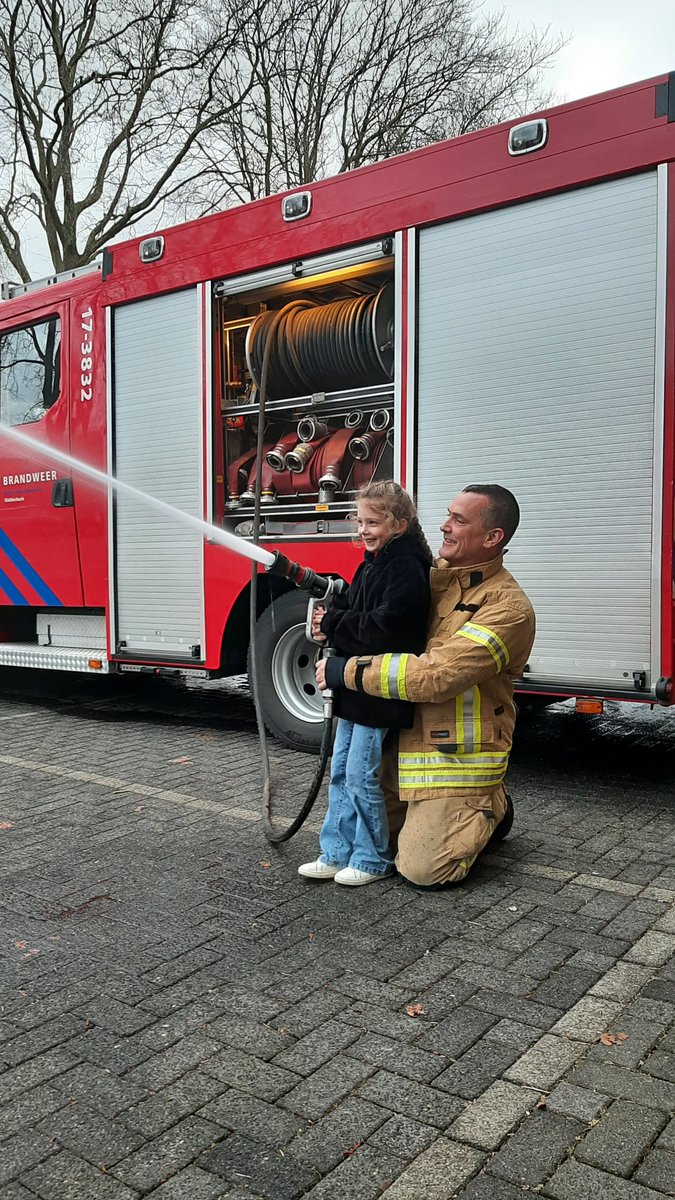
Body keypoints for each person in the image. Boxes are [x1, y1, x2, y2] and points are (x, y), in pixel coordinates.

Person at [316, 484, 536, 889]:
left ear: (492, 538)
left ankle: (491, 806)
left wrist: (344, 671)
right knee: (361, 802)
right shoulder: (433, 576)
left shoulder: (508, 609)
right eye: (448, 515)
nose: (443, 525)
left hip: (457, 762)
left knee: (422, 869)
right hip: (406, 746)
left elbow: (435, 675)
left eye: (459, 520)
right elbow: (382, 611)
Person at [298, 481, 433, 886]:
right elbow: (359, 613)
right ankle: (336, 852)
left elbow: (386, 629)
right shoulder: (372, 563)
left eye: (372, 522)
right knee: (340, 771)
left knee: (361, 775)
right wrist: (332, 625)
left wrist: (334, 623)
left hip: (379, 689)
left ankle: (372, 858)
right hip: (356, 687)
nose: (363, 530)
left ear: (399, 524)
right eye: (360, 521)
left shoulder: (407, 568)